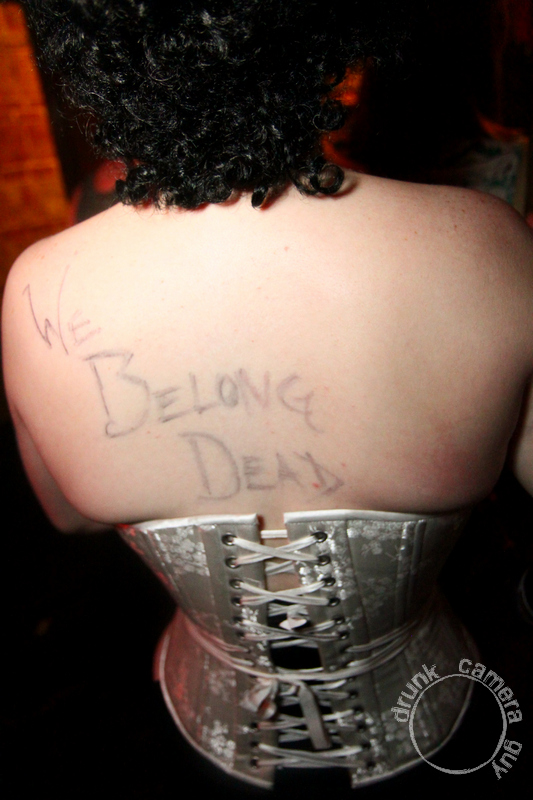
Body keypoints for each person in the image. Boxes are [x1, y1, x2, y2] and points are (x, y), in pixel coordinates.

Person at [3, 0, 533, 790]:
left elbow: (70, 515)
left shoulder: (37, 287)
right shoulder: (487, 243)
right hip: (442, 724)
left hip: (195, 737)